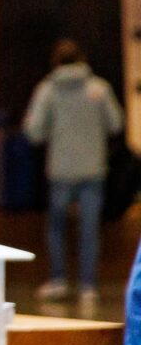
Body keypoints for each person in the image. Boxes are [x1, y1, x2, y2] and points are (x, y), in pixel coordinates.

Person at [25, 38, 123, 303]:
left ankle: (58, 280)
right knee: (89, 229)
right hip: (93, 169)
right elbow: (115, 124)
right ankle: (88, 286)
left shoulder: (47, 90)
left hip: (61, 170)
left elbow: (33, 132)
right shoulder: (99, 89)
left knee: (56, 227)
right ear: (82, 58)